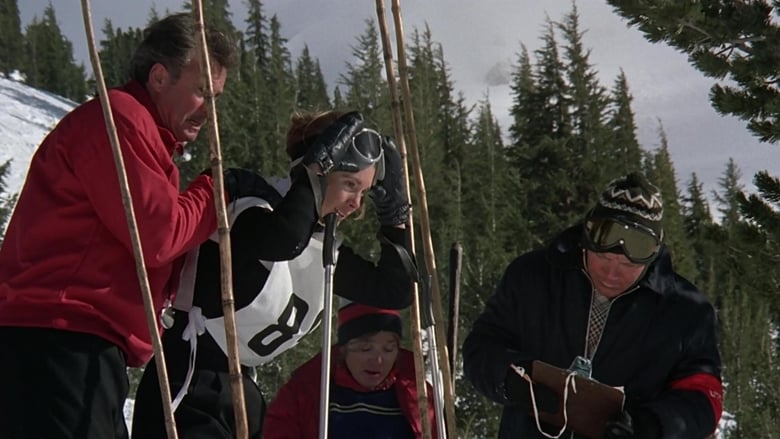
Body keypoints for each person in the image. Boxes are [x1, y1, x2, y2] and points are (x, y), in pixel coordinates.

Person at [0, 13, 247, 439]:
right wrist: (216, 191)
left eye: (217, 98)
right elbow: (157, 234)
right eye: (202, 92)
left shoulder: (139, 133)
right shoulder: (120, 122)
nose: (209, 111)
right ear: (158, 76)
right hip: (61, 338)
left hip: (69, 343)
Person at [131, 110, 415, 439]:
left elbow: (396, 291)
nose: (356, 205)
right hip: (187, 383)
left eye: (364, 193)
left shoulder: (320, 247)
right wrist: (312, 172)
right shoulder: (252, 207)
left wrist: (395, 216)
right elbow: (283, 240)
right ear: (316, 171)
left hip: (239, 395)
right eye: (350, 185)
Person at [462, 172, 723, 439]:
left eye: (628, 265)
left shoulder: (687, 311)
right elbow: (481, 346)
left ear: (652, 257)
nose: (612, 274)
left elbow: (704, 395)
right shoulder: (533, 277)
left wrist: (650, 426)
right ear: (585, 240)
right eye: (603, 257)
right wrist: (510, 379)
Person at [263, 300, 437, 438]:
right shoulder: (305, 392)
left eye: (388, 349)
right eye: (365, 349)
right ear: (344, 349)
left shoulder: (418, 394)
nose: (377, 360)